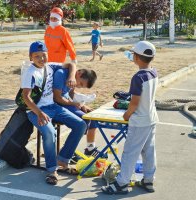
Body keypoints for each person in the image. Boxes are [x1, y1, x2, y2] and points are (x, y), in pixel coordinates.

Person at [21, 41, 87, 185]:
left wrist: (71, 77)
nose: (41, 59)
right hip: (35, 110)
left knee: (81, 125)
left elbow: (71, 64)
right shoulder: (30, 72)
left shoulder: (50, 66)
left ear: (47, 55)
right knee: (50, 132)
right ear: (31, 57)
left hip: (53, 106)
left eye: (43, 55)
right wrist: (39, 113)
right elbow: (26, 97)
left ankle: (62, 160)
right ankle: (51, 170)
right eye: (37, 56)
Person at [101, 41, 159, 194]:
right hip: (151, 118)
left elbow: (134, 103)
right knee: (149, 151)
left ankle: (121, 184)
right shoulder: (154, 72)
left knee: (130, 153)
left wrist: (126, 115)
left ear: (137, 58)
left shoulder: (138, 77)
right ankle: (148, 180)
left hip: (139, 121)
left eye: (133, 54)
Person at [53, 68, 108, 158]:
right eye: (81, 83)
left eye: (82, 86)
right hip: (57, 105)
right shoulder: (62, 74)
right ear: (79, 73)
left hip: (66, 104)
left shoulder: (73, 78)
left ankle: (90, 149)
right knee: (85, 119)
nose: (78, 86)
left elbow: (71, 93)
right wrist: (74, 104)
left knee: (92, 116)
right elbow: (57, 98)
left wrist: (82, 105)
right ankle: (68, 151)